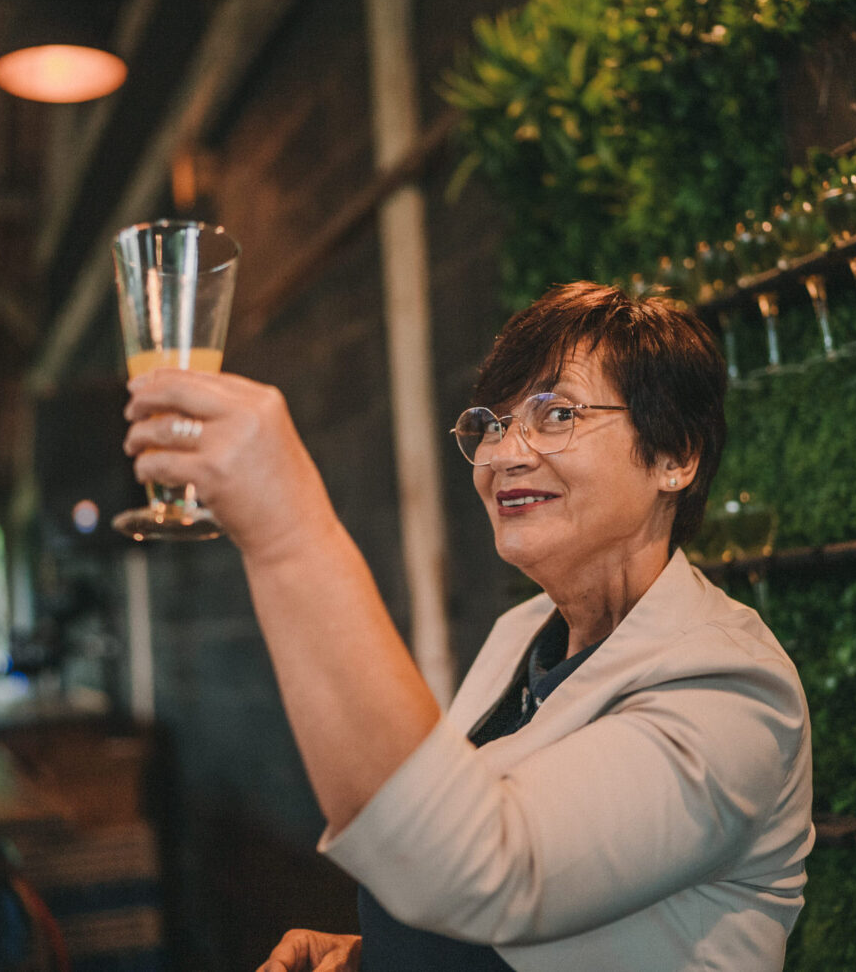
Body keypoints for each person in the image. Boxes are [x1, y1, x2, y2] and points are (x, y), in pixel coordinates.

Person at [123, 281, 813, 971]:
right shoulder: (523, 632)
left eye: (557, 414)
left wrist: (287, 527)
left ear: (675, 457)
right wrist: (384, 954)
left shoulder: (733, 689)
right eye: (492, 423)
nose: (505, 453)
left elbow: (499, 872)